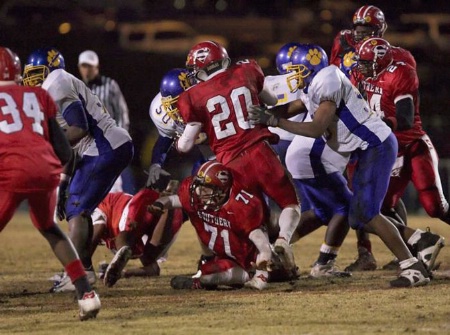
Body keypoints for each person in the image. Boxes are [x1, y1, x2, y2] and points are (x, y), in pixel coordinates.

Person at [248, 43, 431, 287]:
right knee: (356, 216)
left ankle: (412, 267)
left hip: (375, 146)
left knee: (366, 213)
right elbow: (294, 106)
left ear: (309, 67)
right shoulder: (316, 82)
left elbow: (315, 128)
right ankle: (416, 254)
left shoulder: (328, 80)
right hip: (365, 149)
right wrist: (263, 115)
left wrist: (275, 121)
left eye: (294, 70)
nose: (290, 76)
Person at [173, 41, 301, 275]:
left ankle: (261, 260)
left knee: (253, 218)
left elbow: (186, 144)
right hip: (260, 150)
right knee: (289, 203)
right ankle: (283, 241)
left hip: (231, 163)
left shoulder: (191, 96)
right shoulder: (246, 71)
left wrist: (179, 141)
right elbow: (271, 101)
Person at [0, 47, 100, 320]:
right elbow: (65, 151)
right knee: (49, 228)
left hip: (11, 171)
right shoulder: (39, 95)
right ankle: (86, 295)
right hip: (46, 169)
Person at [22, 47, 134, 292]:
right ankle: (84, 270)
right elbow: (71, 149)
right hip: (104, 147)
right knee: (78, 207)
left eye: (37, 73)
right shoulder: (57, 86)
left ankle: (76, 274)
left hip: (105, 146)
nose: (32, 80)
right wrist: (63, 184)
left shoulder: (57, 82)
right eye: (29, 74)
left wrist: (45, 144)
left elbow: (80, 129)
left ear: (50, 70)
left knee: (77, 208)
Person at [330, 5, 417, 271]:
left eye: (366, 30)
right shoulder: (342, 44)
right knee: (363, 191)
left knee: (376, 196)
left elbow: (404, 102)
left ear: (379, 30)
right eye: (358, 29)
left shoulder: (399, 58)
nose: (360, 34)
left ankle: (414, 245)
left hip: (378, 128)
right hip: (351, 124)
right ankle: (368, 252)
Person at [354, 37, 446, 270]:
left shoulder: (400, 72)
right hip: (389, 150)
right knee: (380, 208)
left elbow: (405, 118)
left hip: (413, 145)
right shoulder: (360, 74)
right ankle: (419, 247)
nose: (361, 67)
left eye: (366, 62)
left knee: (434, 206)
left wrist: (377, 123)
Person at [265, 44, 352, 277]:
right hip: (302, 146)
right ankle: (322, 262)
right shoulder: (321, 83)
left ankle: (272, 251)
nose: (293, 76)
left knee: (318, 211)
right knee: (346, 207)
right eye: (291, 70)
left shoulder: (277, 82)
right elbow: (314, 125)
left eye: (297, 70)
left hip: (277, 146)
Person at [149, 161, 279, 290]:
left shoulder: (239, 207)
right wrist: (160, 203)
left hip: (248, 264)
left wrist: (260, 274)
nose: (199, 192)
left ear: (221, 190)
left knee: (207, 275)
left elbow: (262, 244)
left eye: (205, 188)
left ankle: (199, 283)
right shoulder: (199, 199)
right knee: (207, 269)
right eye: (199, 186)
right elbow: (174, 200)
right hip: (225, 257)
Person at [91, 180, 184, 287]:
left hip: (138, 204)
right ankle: (169, 205)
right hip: (170, 214)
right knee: (150, 257)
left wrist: (82, 268)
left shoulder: (96, 208)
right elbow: (154, 270)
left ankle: (168, 202)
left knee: (125, 239)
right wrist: (123, 273)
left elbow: (96, 230)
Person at [78, 50, 132, 193]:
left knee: (112, 184)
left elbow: (122, 113)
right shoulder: (78, 89)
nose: (86, 70)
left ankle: (115, 211)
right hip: (88, 144)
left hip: (109, 141)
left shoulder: (110, 85)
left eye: (89, 66)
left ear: (96, 67)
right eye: (83, 66)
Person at [147, 68, 211, 188]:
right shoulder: (163, 114)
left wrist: (208, 137)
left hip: (231, 146)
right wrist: (156, 163)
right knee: (198, 182)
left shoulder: (210, 97)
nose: (187, 104)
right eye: (179, 102)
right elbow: (165, 139)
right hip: (209, 155)